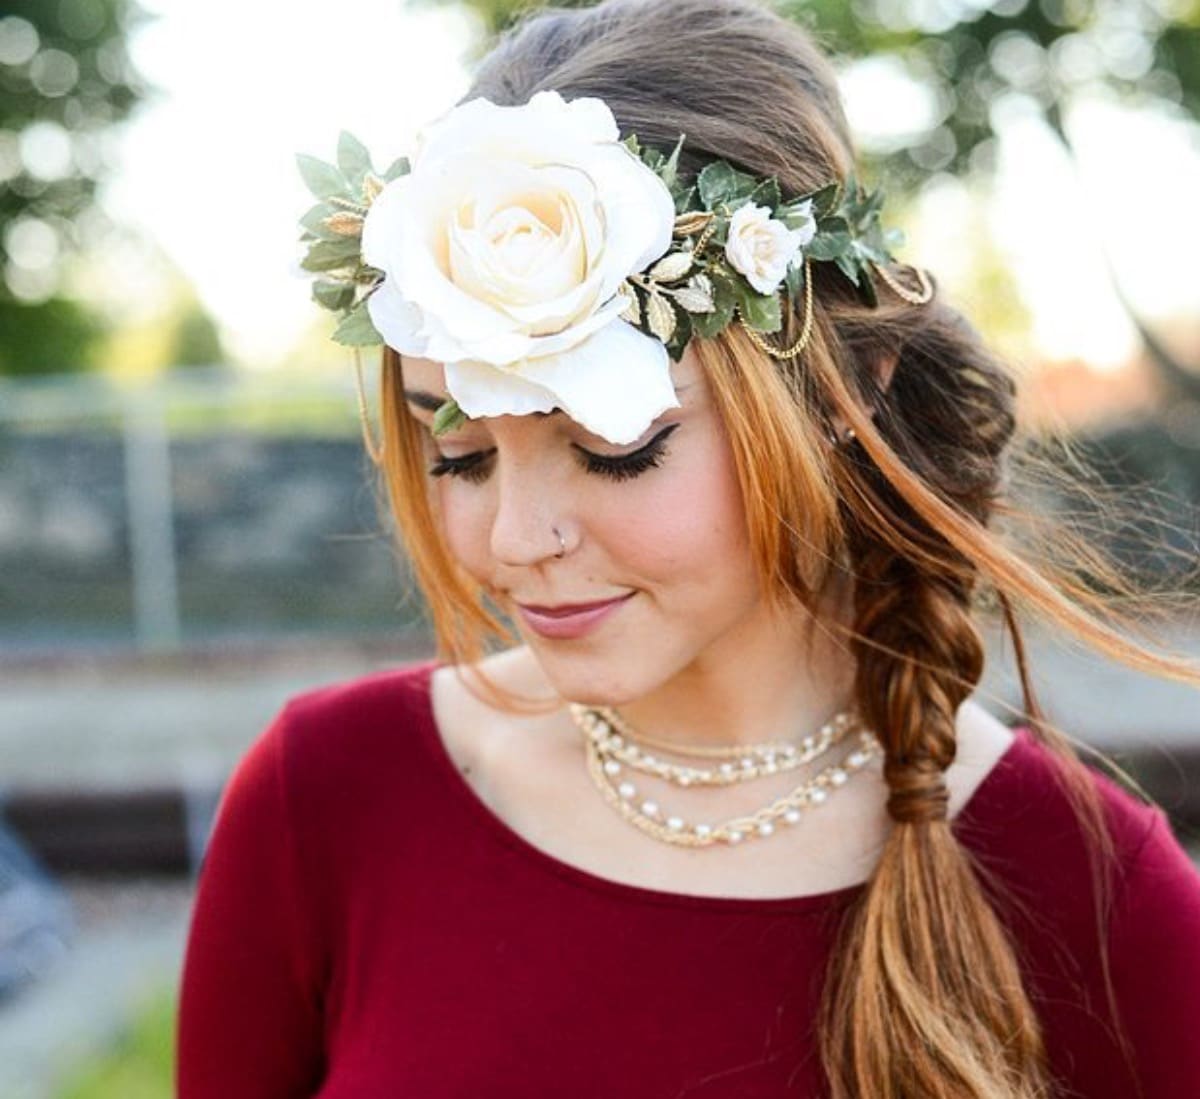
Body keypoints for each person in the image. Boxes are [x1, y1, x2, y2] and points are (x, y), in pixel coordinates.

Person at [176, 1, 1200, 1096]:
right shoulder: (325, 796)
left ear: (846, 391)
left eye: (617, 450)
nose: (517, 539)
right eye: (460, 452)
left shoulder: (1096, 892)